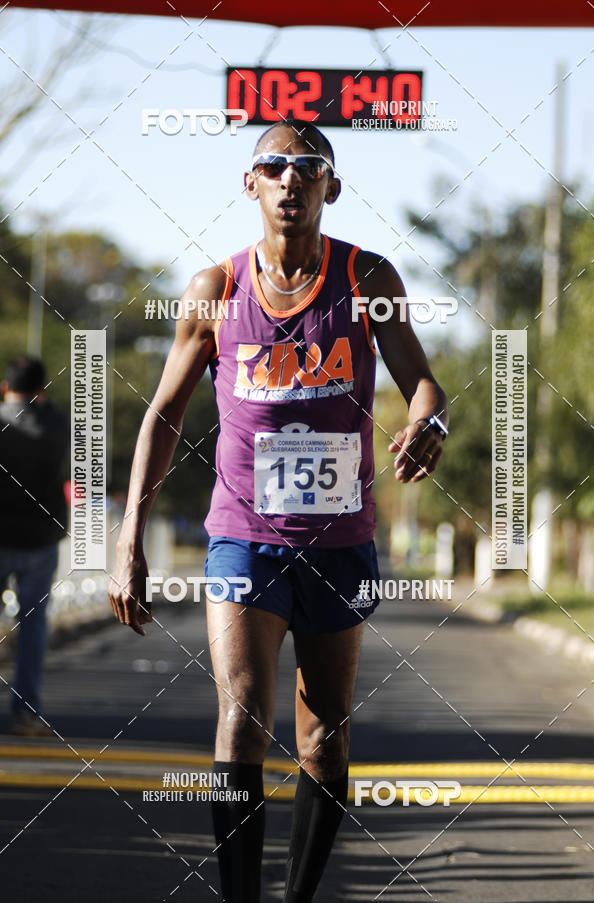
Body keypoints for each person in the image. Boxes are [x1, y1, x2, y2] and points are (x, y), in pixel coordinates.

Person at [108, 119, 448, 902]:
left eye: (308, 166)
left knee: (324, 732)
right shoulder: (216, 292)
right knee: (243, 717)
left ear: (332, 184)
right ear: (249, 182)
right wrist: (129, 537)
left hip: (340, 538)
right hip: (242, 535)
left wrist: (430, 420)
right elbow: (162, 415)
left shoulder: (368, 279)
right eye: (274, 165)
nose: (290, 178)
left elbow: (421, 382)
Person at [0, 355, 69, 737]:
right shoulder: (57, 424)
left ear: (5, 386)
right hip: (40, 541)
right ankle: (26, 712)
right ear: (41, 391)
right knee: (32, 626)